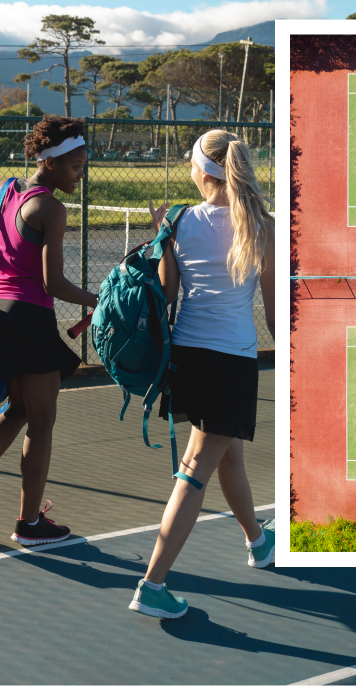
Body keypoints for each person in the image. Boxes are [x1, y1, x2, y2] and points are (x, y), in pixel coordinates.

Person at [128, 129, 275, 620]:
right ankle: (153, 584)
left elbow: (167, 297)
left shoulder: (177, 220)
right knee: (195, 469)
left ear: (203, 170)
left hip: (188, 359)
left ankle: (258, 541)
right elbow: (276, 316)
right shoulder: (264, 226)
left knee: (225, 454)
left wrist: (163, 241)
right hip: (231, 360)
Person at [0, 116, 99, 545]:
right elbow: (52, 285)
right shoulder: (50, 208)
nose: (80, 174)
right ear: (53, 162)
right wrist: (99, 299)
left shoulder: (2, 189)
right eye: (75, 165)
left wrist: (12, 253)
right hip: (29, 317)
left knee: (18, 409)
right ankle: (29, 525)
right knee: (42, 420)